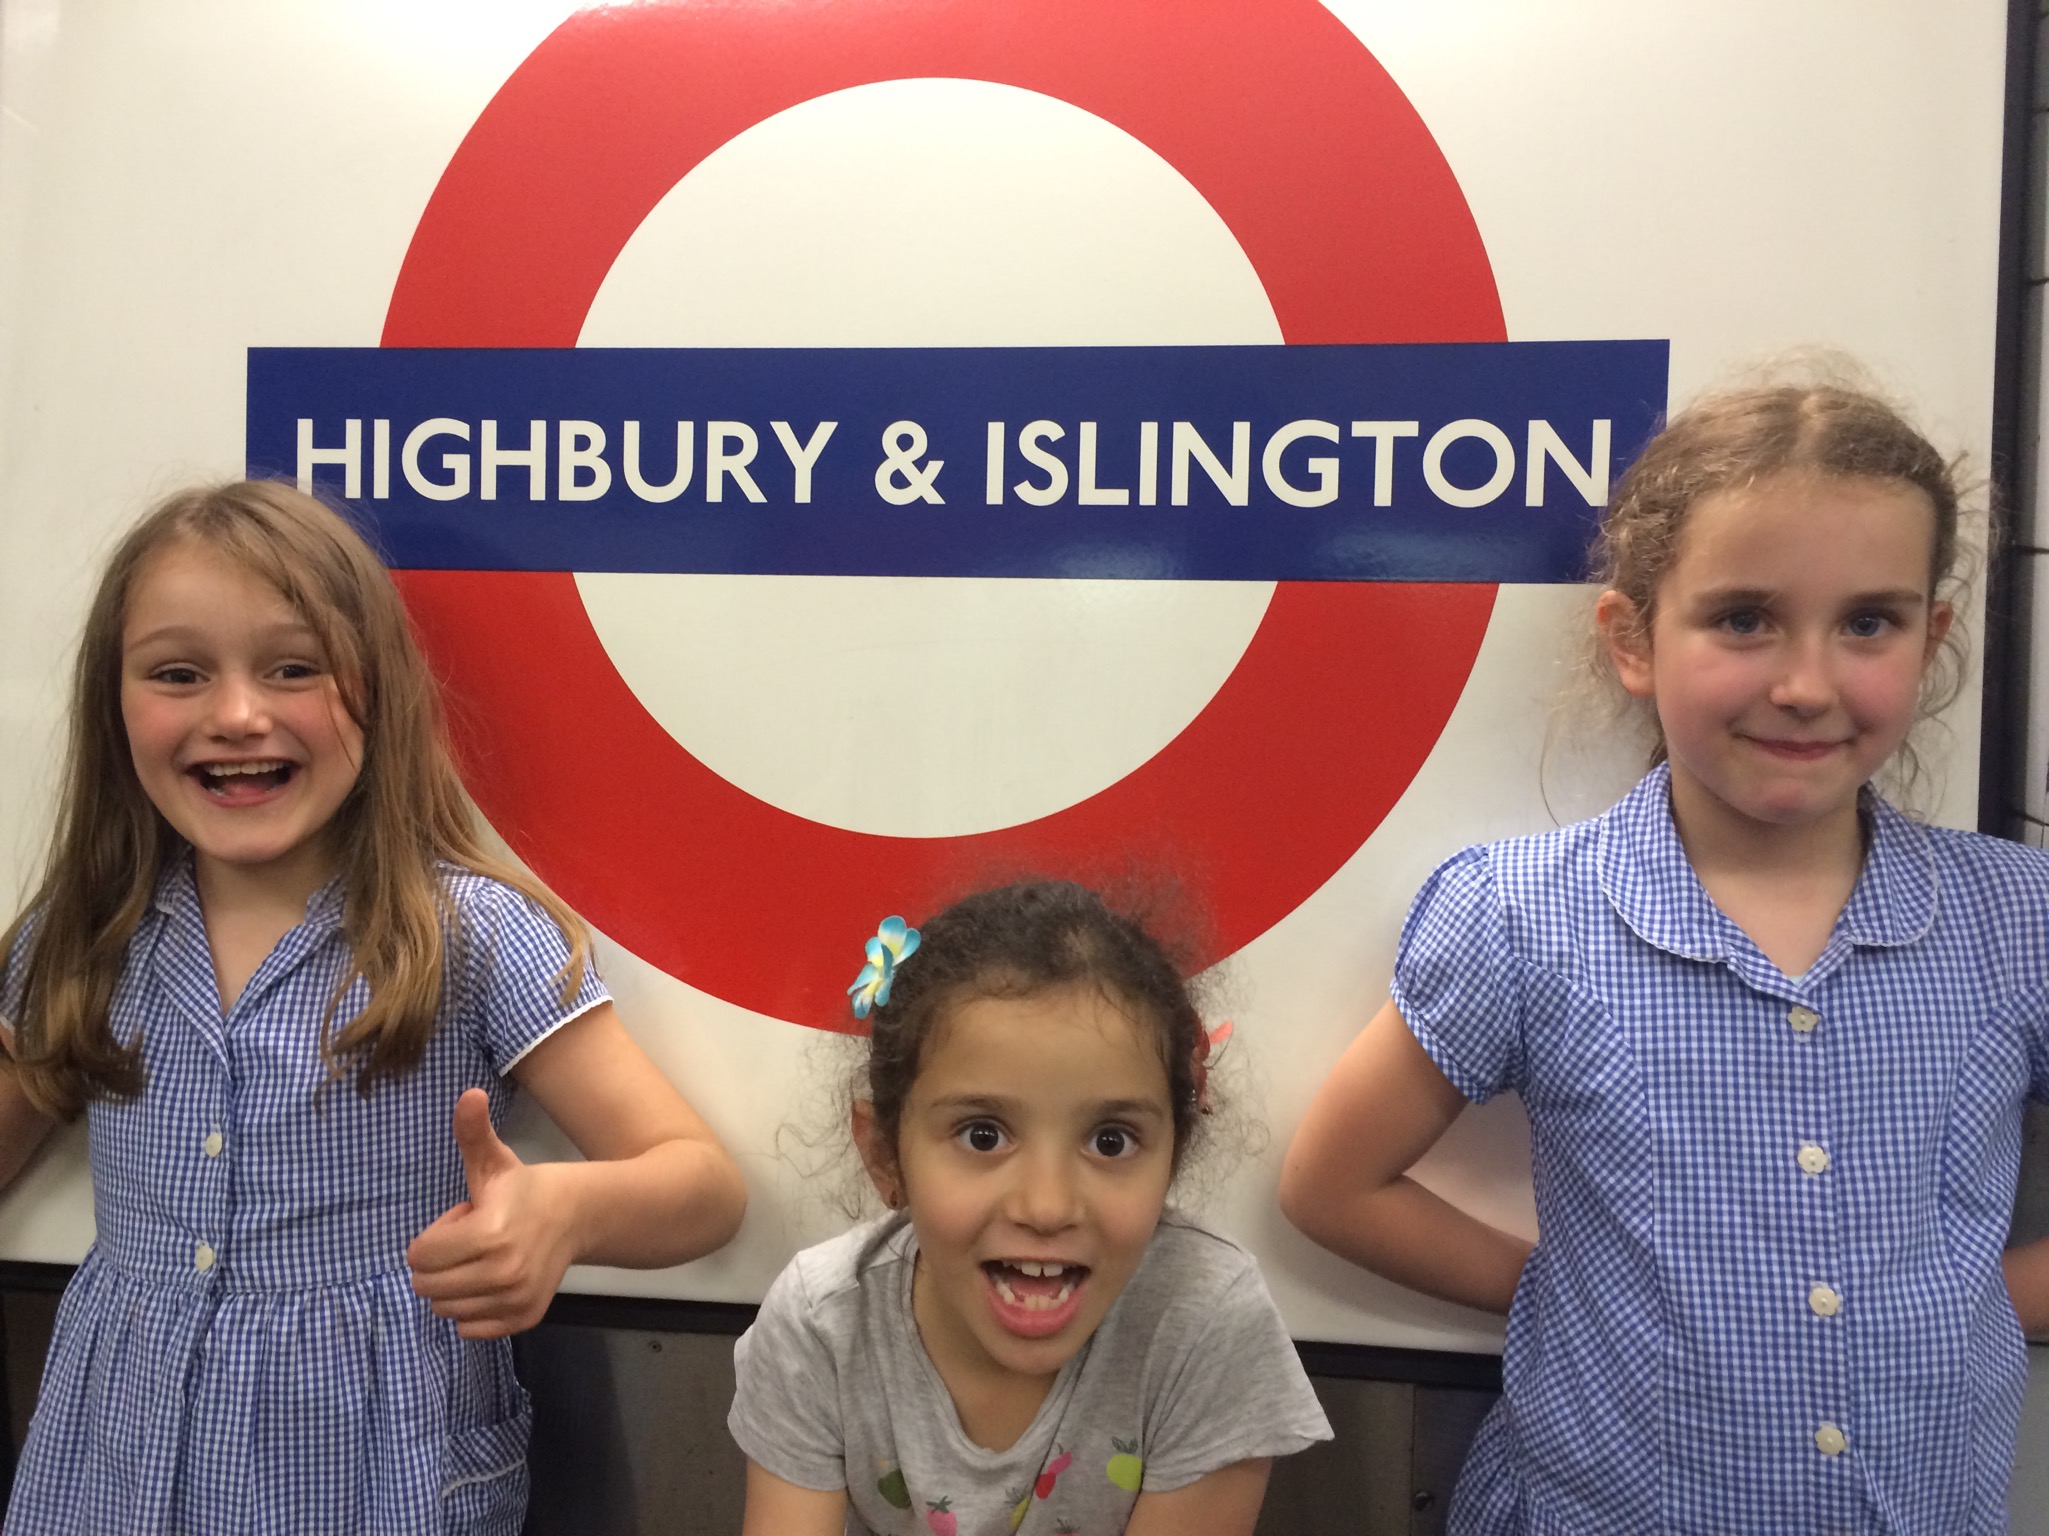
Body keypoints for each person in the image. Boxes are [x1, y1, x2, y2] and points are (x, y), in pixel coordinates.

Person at [1279, 380, 2049, 1534]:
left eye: (1868, 623)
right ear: (1634, 641)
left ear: (1931, 639)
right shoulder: (1524, 916)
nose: (1806, 684)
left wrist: (1967, 1308)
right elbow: (1333, 1183)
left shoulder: (2017, 919)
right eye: (1743, 619)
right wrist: (1567, 1302)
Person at [0, 480, 748, 1533]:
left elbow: (703, 1188)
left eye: (294, 667)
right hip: (115, 1475)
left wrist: (562, 1213)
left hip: (378, 1478)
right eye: (177, 673)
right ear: (112, 703)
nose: (238, 714)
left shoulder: (474, 935)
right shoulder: (84, 935)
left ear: (379, 689)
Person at [729, 881, 1330, 1535]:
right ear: (884, 1155)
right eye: (982, 1135)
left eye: (1111, 1141)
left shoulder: (1207, 1322)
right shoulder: (822, 1327)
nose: (1047, 1207)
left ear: (1171, 1159)